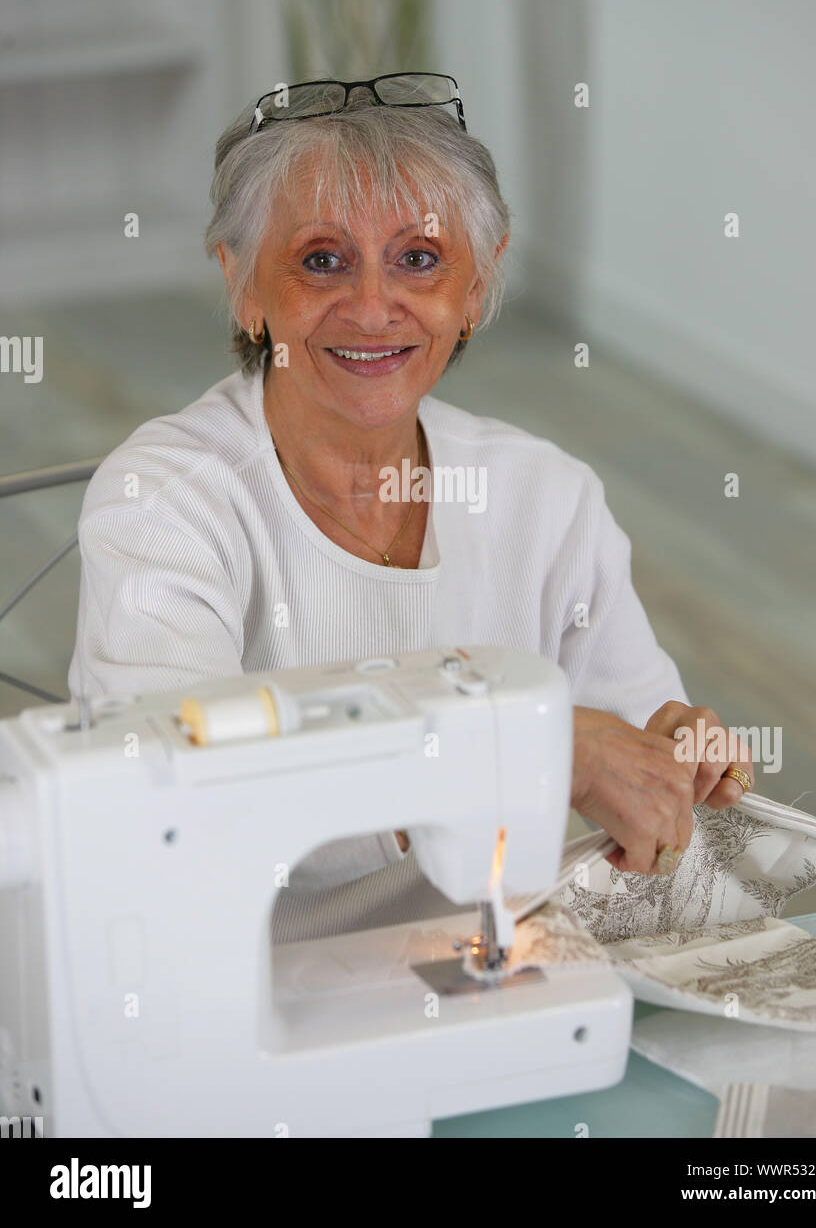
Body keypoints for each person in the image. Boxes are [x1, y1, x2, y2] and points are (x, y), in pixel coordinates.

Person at [68, 73, 752, 938]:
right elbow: (178, 807)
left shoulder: (545, 497)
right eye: (322, 260)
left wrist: (673, 763)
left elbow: (634, 754)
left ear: (477, 285)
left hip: (492, 985)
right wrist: (526, 750)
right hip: (226, 1000)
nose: (371, 308)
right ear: (242, 284)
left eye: (419, 260)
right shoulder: (165, 503)